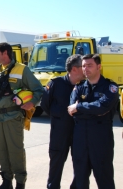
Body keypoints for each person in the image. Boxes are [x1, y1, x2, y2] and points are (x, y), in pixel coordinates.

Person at [0, 42, 44, 189]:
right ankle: (6, 180)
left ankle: (20, 182)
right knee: (1, 151)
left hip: (13, 117)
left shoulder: (22, 69)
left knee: (15, 150)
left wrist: (32, 103)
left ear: (6, 53)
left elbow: (38, 90)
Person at [68, 54, 118, 189]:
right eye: (83, 66)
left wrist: (79, 107)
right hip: (80, 140)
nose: (85, 69)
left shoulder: (110, 87)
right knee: (80, 179)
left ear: (99, 67)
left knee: (104, 179)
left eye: (89, 65)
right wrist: (93, 111)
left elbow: (103, 107)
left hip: (101, 139)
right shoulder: (79, 88)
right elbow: (71, 110)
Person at [41, 54, 85, 189]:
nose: (85, 70)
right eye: (82, 66)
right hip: (59, 132)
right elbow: (45, 105)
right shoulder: (55, 84)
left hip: (79, 132)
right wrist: (59, 118)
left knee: (81, 164)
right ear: (74, 69)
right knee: (56, 165)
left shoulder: (85, 86)